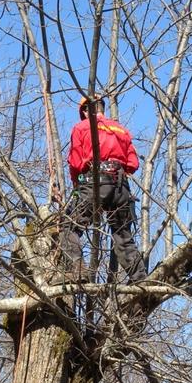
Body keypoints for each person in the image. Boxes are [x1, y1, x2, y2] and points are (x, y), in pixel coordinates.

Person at [59, 96, 148, 282]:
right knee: (123, 237)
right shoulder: (121, 130)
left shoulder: (82, 127)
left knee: (68, 225)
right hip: (121, 187)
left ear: (85, 111)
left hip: (95, 182)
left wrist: (78, 184)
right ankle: (141, 280)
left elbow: (75, 162)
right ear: (102, 108)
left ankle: (78, 270)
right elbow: (132, 163)